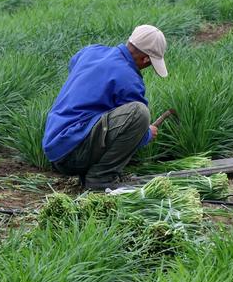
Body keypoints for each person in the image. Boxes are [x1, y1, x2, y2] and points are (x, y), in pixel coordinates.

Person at [42, 24, 168, 190]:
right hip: (72, 154)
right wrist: (147, 134)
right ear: (145, 59)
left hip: (54, 146)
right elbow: (135, 126)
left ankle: (89, 171)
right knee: (140, 114)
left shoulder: (92, 51)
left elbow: (73, 64)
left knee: (98, 117)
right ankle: (100, 179)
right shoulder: (130, 79)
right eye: (151, 63)